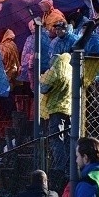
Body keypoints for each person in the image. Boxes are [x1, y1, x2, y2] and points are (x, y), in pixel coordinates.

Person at [39, 53, 72, 188]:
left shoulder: (56, 70)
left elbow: (43, 88)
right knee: (69, 139)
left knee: (56, 138)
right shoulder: (71, 70)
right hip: (70, 109)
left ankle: (59, 166)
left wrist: (43, 77)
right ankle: (69, 165)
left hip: (56, 109)